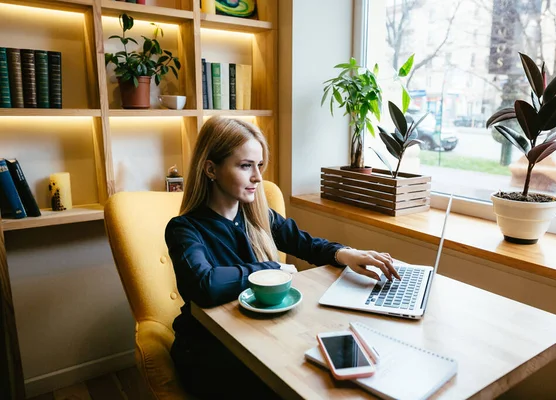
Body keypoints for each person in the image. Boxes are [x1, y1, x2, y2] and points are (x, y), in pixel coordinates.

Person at [165, 117, 400, 398]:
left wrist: (344, 253)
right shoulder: (184, 229)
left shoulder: (258, 215)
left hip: (256, 336)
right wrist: (272, 269)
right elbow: (204, 285)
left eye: (259, 165)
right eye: (245, 166)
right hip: (208, 348)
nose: (258, 177)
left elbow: (306, 244)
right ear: (211, 168)